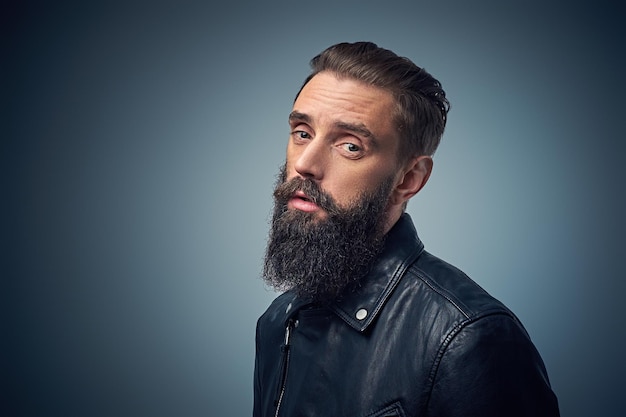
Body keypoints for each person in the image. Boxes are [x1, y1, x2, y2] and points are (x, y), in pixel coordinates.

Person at [254, 41, 560, 417]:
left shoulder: (467, 339)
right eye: (302, 132)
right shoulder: (279, 321)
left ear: (409, 179)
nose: (305, 163)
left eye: (350, 146)